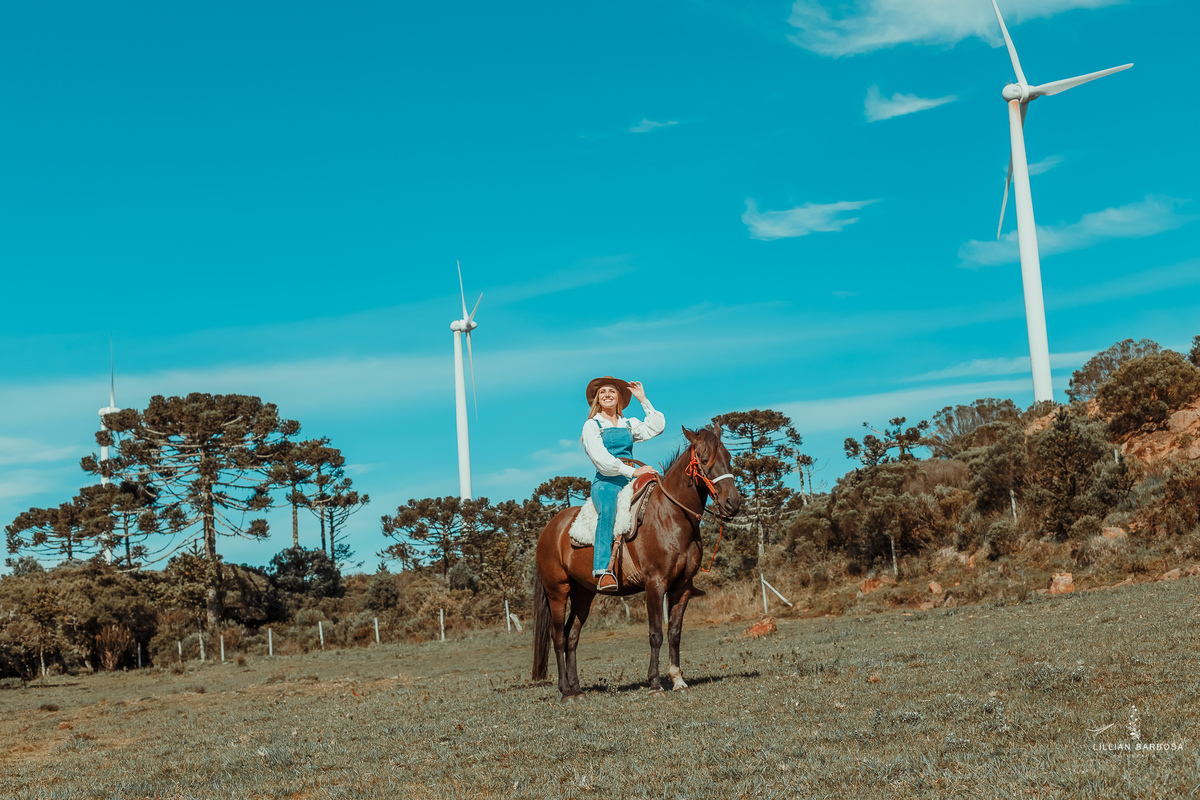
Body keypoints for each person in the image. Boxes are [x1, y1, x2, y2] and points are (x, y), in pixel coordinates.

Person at [580, 376, 665, 592]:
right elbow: (601, 460)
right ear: (597, 399)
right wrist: (634, 470)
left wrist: (643, 399)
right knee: (607, 511)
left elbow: (656, 428)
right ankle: (603, 571)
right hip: (607, 481)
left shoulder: (628, 423)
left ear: (619, 397)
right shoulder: (592, 425)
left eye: (612, 391)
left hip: (630, 479)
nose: (607, 395)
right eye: (602, 392)